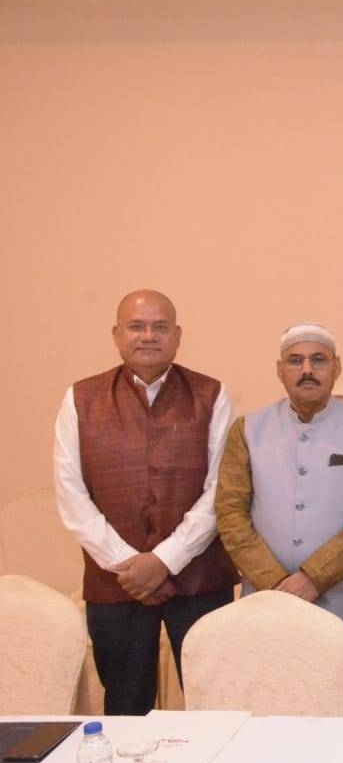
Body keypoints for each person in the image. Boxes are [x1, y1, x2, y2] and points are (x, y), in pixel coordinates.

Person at [53, 290, 238, 715]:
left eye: (160, 327)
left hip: (199, 582)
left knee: (212, 705)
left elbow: (220, 490)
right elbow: (71, 493)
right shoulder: (80, 398)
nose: (148, 336)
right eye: (136, 326)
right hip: (115, 585)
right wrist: (131, 566)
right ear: (117, 335)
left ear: (177, 335)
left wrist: (165, 560)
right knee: (125, 707)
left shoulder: (211, 394)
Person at [216, 322, 343, 716]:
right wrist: (278, 586)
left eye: (318, 360)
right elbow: (230, 514)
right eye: (295, 360)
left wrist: (313, 578)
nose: (307, 369)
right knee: (273, 729)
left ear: (336, 367)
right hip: (266, 610)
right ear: (279, 370)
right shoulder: (247, 430)